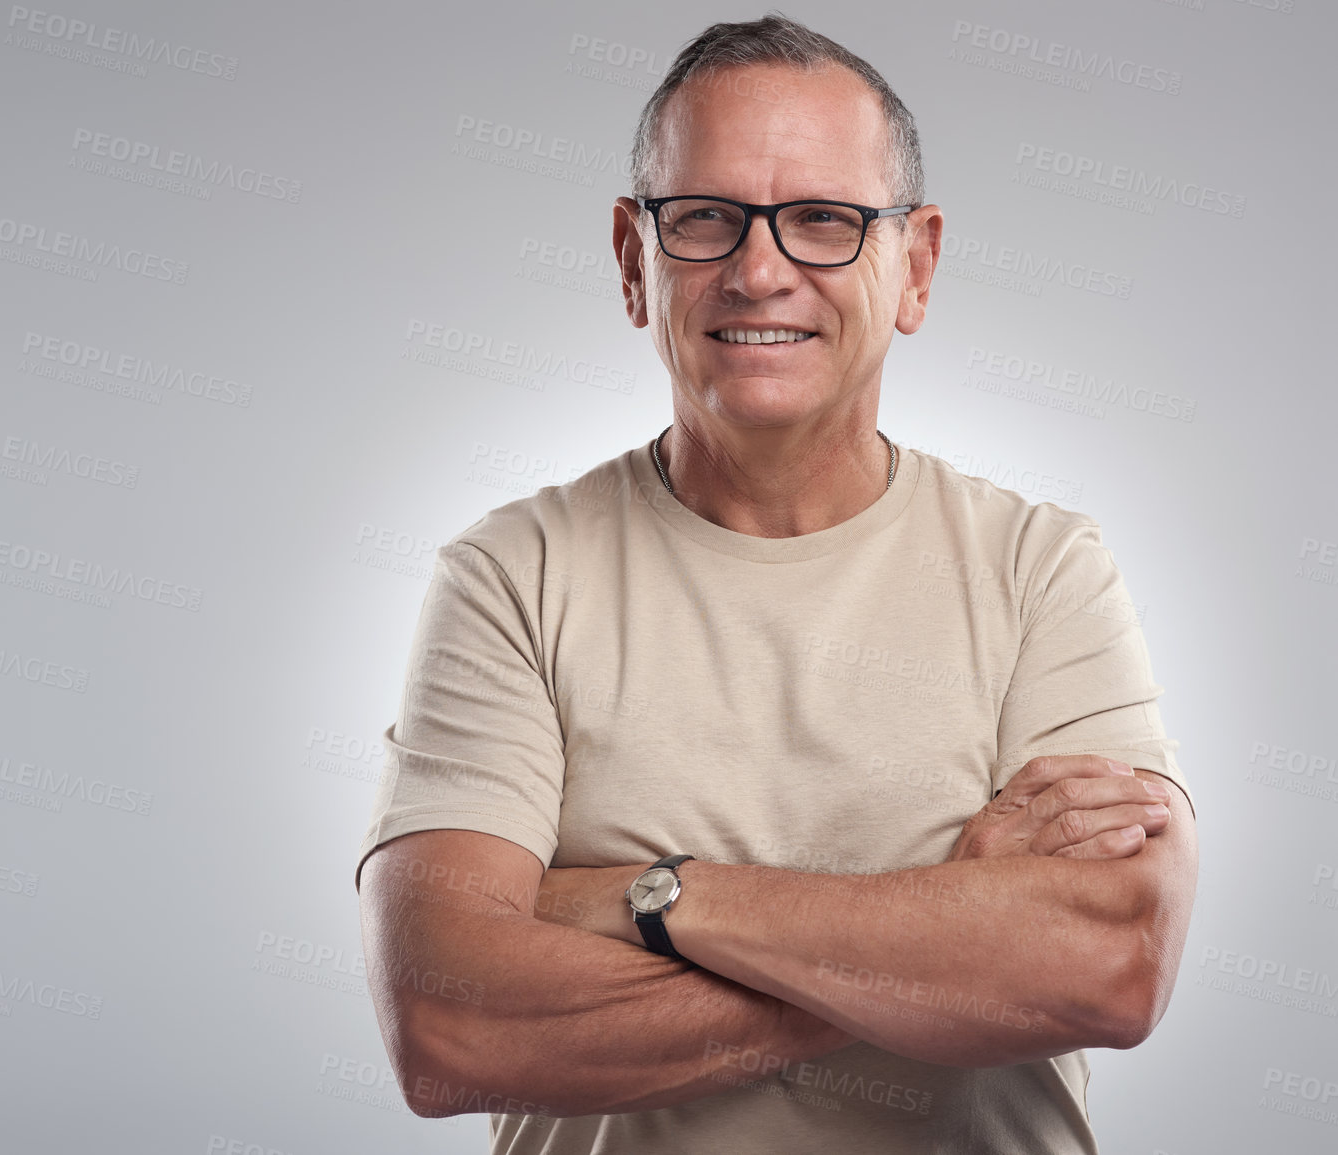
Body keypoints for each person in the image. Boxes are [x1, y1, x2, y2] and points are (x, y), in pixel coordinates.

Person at [354, 14, 1196, 1153]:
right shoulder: (512, 578)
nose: (760, 271)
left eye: (824, 221)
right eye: (703, 218)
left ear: (918, 263)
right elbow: (447, 1022)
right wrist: (941, 933)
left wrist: (645, 897)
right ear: (631, 260)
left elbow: (1108, 966)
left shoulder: (1043, 569)